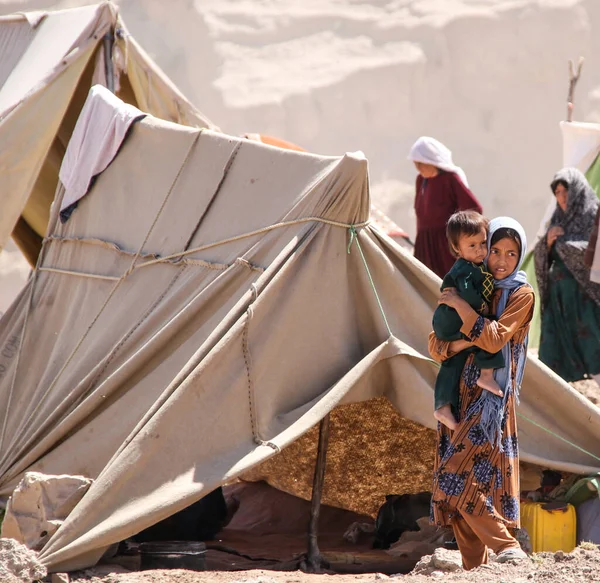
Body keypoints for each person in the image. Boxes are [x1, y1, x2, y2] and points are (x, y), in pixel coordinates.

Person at [428, 217, 534, 570]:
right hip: (459, 395)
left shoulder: (521, 295)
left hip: (491, 402)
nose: (502, 260)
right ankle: (475, 567)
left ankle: (507, 548)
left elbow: (493, 338)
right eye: (495, 251)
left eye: (512, 253)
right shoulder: (476, 282)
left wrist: (461, 308)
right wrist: (457, 338)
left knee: (456, 475)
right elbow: (434, 344)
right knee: (459, 481)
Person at [432, 210, 504, 431]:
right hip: (451, 320)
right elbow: (466, 291)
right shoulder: (465, 268)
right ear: (457, 249)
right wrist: (481, 308)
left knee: (452, 361)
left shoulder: (477, 266)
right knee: (487, 329)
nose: (480, 250)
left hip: (451, 322)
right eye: (471, 245)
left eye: (483, 243)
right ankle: (486, 374)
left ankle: (442, 406)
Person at [534, 168, 600, 383]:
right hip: (559, 301)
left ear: (577, 191)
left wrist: (564, 246)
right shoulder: (557, 218)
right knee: (554, 355)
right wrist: (548, 242)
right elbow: (541, 254)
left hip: (585, 301)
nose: (561, 198)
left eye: (565, 191)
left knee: (593, 351)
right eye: (558, 193)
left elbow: (595, 251)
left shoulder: (593, 213)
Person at [408, 136, 483, 278]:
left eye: (420, 163)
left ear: (431, 161)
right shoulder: (421, 180)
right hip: (424, 243)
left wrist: (457, 235)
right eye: (415, 164)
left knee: (447, 283)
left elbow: (473, 208)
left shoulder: (450, 179)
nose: (417, 168)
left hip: (444, 245)